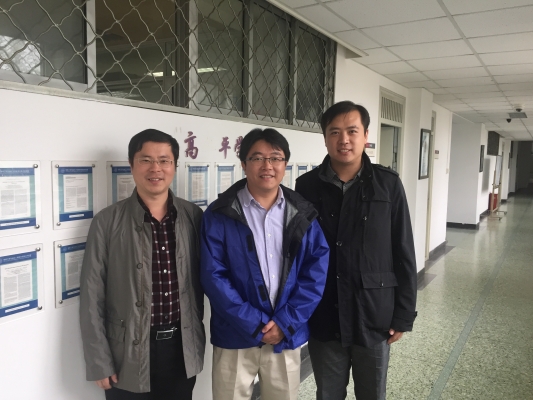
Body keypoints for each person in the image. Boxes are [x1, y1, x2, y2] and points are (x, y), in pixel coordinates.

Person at [295, 101, 417, 400]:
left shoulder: (388, 184)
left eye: (352, 131)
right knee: (328, 394)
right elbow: (298, 253)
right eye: (335, 132)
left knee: (372, 393)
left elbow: (403, 250)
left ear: (365, 136)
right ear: (325, 138)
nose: (344, 140)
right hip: (325, 312)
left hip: (374, 315)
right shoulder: (306, 186)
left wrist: (403, 315)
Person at [200, 128, 329, 400]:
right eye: (257, 158)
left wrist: (284, 323)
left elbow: (314, 274)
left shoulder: (303, 213)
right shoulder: (219, 213)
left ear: (285, 164)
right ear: (244, 164)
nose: (267, 165)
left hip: (285, 334)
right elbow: (214, 276)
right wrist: (255, 324)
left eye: (276, 158)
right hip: (235, 335)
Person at [79, 129, 205, 400]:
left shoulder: (193, 216)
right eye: (146, 160)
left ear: (174, 165)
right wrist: (99, 360)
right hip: (126, 352)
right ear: (131, 164)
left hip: (181, 349)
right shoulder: (107, 221)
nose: (155, 168)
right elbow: (91, 295)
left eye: (164, 160)